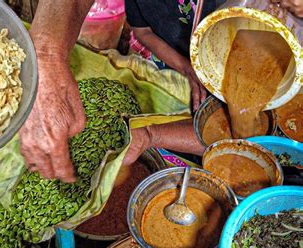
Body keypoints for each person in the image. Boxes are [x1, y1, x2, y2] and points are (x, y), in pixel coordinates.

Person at [20, 0, 303, 183]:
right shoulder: (147, 6)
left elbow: (252, 138)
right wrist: (46, 55)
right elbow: (143, 32)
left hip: (243, 49)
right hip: (185, 60)